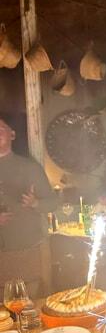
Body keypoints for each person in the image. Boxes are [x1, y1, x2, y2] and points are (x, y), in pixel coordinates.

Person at [0, 112, 57, 299]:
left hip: (28, 250)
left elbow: (53, 203)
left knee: (31, 308)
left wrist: (35, 203)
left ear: (12, 134)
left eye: (1, 129)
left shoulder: (29, 168)